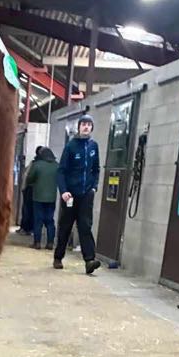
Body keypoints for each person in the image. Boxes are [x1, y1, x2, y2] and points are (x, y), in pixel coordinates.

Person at [53, 113, 102, 275]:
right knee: (65, 226)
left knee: (85, 226)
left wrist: (94, 187)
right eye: (83, 124)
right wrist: (64, 191)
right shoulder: (71, 146)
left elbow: (96, 169)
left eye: (89, 124)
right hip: (70, 195)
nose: (86, 127)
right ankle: (58, 257)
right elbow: (61, 171)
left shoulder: (94, 146)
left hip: (87, 194)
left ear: (91, 127)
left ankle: (89, 260)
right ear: (79, 127)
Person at [24, 146, 58, 250]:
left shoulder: (37, 165)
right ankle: (50, 243)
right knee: (50, 221)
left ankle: (37, 243)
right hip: (51, 198)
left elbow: (29, 179)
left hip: (38, 197)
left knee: (38, 220)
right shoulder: (57, 166)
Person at [17, 145, 42, 235]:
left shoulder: (34, 163)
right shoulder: (40, 163)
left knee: (27, 209)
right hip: (36, 190)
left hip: (30, 189)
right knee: (33, 210)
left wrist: (24, 187)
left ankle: (25, 228)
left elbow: (27, 176)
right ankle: (30, 229)